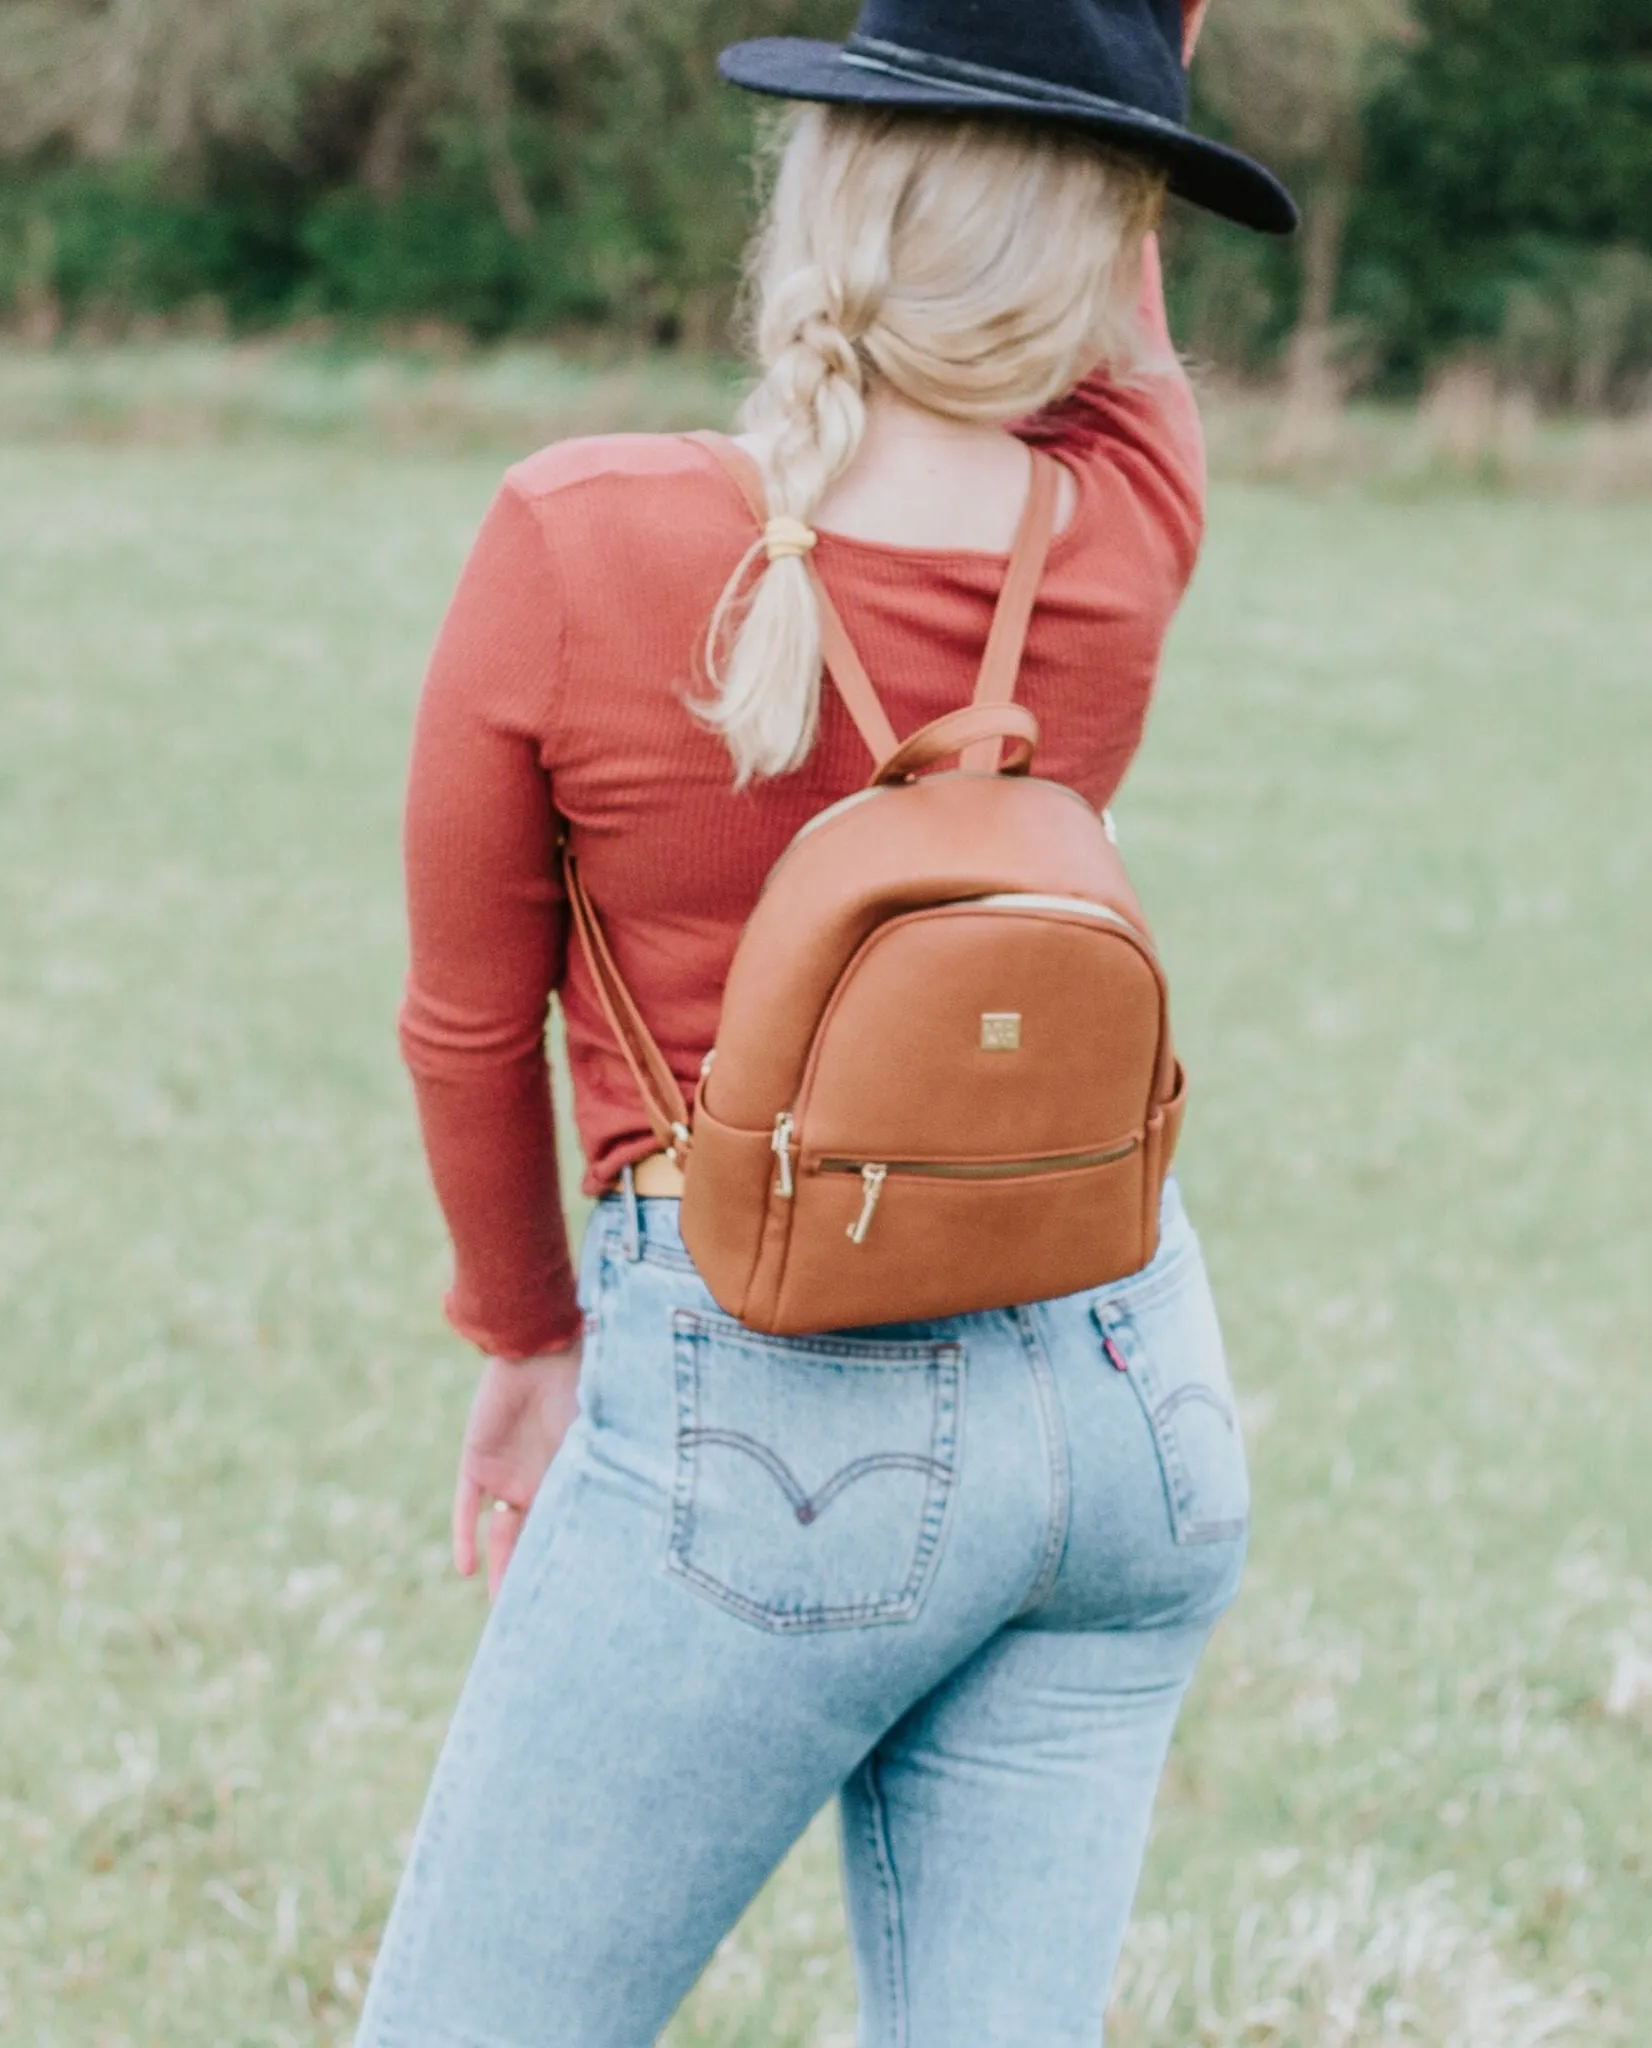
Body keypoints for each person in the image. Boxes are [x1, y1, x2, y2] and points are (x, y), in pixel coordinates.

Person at [363, 3, 1296, 2041]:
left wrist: (526, 1339)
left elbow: (463, 1026)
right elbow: (1131, 313)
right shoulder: (1124, 529)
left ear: (822, 182)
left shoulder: (576, 538)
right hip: (1131, 1404)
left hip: (769, 1421)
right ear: (1113, 216)